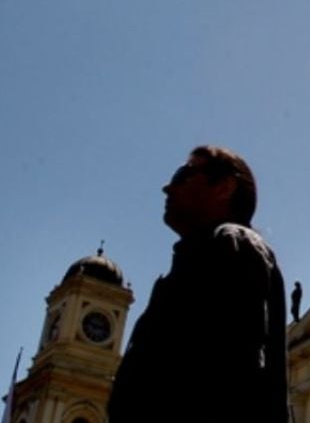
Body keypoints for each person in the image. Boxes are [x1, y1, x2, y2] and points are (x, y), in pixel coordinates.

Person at [108, 145, 288, 423]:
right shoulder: (190, 263)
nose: (167, 188)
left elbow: (233, 372)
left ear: (225, 187)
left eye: (184, 175)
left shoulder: (232, 243)